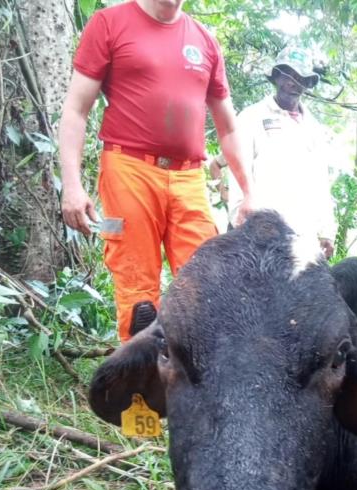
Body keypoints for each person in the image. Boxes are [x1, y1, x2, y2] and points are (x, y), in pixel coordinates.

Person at [59, 0, 254, 341]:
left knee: (208, 286)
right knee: (138, 294)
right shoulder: (109, 23)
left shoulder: (204, 41)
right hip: (127, 171)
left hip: (189, 177)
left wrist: (250, 193)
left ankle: (197, 389)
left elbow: (229, 129)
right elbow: (76, 110)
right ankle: (140, 394)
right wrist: (72, 186)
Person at [210, 46, 336, 258]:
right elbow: (238, 169)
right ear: (276, 77)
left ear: (306, 84)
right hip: (258, 235)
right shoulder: (252, 117)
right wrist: (241, 219)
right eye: (287, 76)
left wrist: (327, 230)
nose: (292, 83)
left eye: (300, 78)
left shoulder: (314, 128)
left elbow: (321, 182)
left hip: (302, 239)